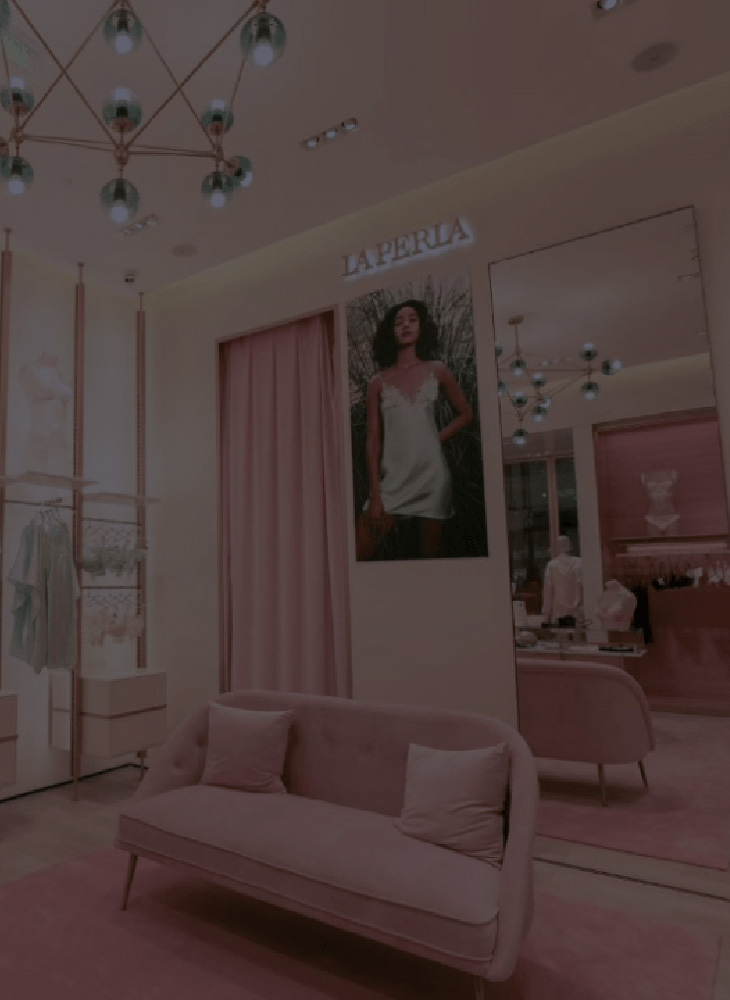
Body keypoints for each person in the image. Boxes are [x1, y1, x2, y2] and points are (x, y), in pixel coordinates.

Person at [355, 299, 473, 560]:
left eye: (412, 319)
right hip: (393, 480)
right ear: (391, 332)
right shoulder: (378, 382)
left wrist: (434, 439)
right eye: (398, 322)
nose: (405, 325)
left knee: (429, 561)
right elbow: (373, 441)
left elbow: (466, 414)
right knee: (358, 550)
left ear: (421, 327)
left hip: (432, 476)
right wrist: (375, 495)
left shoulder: (438, 370)